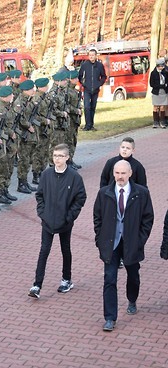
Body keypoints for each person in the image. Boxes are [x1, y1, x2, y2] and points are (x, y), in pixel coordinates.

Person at [94, 160, 154, 332]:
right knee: (109, 279)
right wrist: (100, 239)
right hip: (110, 244)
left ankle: (132, 299)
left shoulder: (141, 193)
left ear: (130, 174)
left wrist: (140, 241)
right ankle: (110, 318)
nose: (120, 177)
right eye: (117, 173)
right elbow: (97, 217)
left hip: (132, 243)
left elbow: (148, 219)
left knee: (133, 276)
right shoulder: (104, 193)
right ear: (113, 173)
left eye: (123, 173)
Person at [28, 144, 86, 299]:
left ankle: (66, 279)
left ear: (67, 157)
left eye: (60, 156)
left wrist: (69, 216)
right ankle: (37, 285)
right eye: (55, 156)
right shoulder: (46, 174)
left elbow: (81, 198)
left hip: (65, 222)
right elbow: (39, 195)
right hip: (48, 221)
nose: (57, 159)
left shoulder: (74, 177)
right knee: (44, 251)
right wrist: (42, 213)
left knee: (65, 249)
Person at [78, 48, 107, 131]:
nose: (91, 57)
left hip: (95, 89)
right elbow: (80, 76)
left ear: (96, 56)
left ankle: (91, 125)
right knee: (87, 107)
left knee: (93, 107)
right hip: (87, 89)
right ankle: (87, 125)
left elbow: (104, 76)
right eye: (90, 55)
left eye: (93, 55)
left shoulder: (99, 65)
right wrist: (84, 84)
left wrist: (99, 84)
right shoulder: (85, 65)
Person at [149, 58, 168, 128]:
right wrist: (160, 86)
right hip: (156, 92)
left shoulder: (165, 72)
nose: (162, 67)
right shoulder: (153, 73)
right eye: (161, 66)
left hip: (164, 92)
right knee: (156, 106)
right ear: (158, 66)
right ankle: (155, 121)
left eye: (163, 66)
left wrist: (165, 86)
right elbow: (151, 84)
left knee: (162, 106)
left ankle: (162, 121)